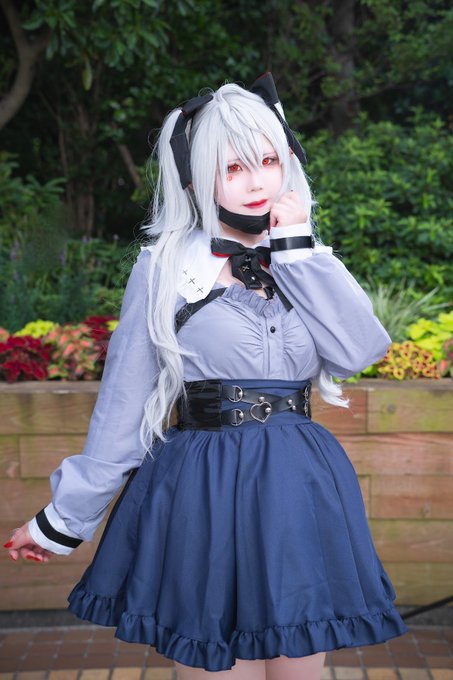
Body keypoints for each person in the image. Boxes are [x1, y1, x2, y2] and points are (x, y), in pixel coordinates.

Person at [4, 73, 408, 679]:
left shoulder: (307, 257)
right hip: (203, 487)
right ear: (196, 180)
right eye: (233, 168)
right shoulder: (165, 268)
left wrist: (298, 249)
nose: (257, 182)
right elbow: (123, 407)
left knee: (300, 668)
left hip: (298, 485)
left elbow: (358, 349)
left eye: (268, 161)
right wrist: (62, 521)